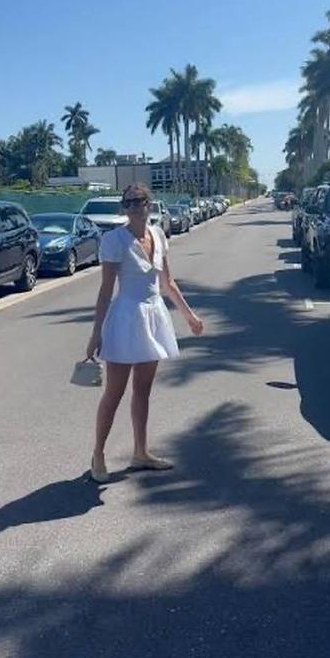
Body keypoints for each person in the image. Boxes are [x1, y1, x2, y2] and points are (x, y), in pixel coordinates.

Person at [87, 183, 204, 483]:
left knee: (143, 390)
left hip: (153, 316)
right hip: (126, 318)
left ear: (149, 203)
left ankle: (140, 452)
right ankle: (98, 453)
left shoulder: (158, 235)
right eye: (128, 202)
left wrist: (189, 316)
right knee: (114, 392)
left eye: (139, 201)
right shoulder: (114, 240)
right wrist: (96, 333)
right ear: (124, 208)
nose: (134, 207)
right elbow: (106, 290)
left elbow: (168, 282)